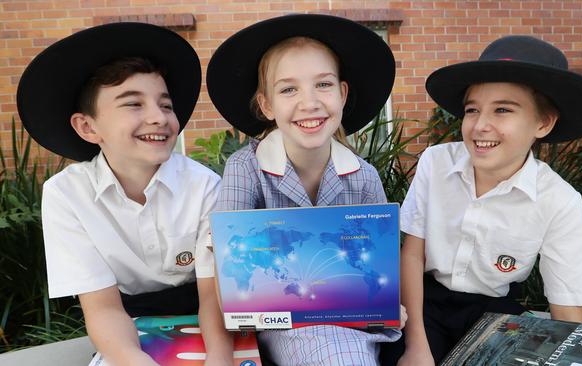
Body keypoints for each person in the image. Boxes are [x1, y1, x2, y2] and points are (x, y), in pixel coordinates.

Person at [380, 35, 582, 365]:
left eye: (503, 110)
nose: (480, 125)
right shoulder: (436, 162)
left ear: (543, 123)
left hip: (494, 313)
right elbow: (413, 254)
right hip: (422, 303)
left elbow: (566, 306)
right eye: (472, 110)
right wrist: (416, 345)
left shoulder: (559, 200)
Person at [16, 23, 231, 365]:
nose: (157, 117)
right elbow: (102, 309)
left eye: (165, 105)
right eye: (133, 104)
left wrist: (220, 359)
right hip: (126, 327)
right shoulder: (66, 194)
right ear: (88, 127)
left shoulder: (204, 186)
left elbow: (213, 297)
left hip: (206, 317)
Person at [205, 14, 403, 366]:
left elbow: (380, 266)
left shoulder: (364, 177)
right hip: (281, 323)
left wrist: (386, 302)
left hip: (353, 323)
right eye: (288, 89)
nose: (309, 102)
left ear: (342, 94)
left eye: (323, 85)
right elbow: (228, 268)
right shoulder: (245, 169)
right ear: (266, 105)